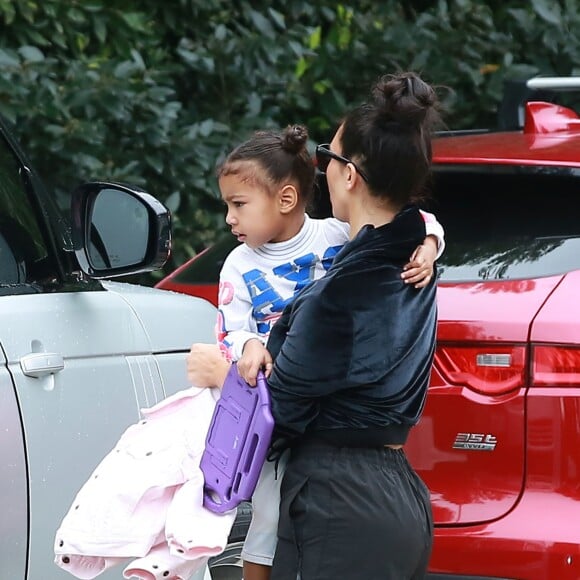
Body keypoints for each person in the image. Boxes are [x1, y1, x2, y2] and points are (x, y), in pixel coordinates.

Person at [191, 89, 443, 580]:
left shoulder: (339, 293)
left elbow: (281, 411)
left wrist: (221, 374)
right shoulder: (409, 264)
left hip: (341, 504)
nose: (319, 167)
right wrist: (432, 241)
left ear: (348, 174)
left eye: (327, 155)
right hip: (401, 499)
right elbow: (418, 224)